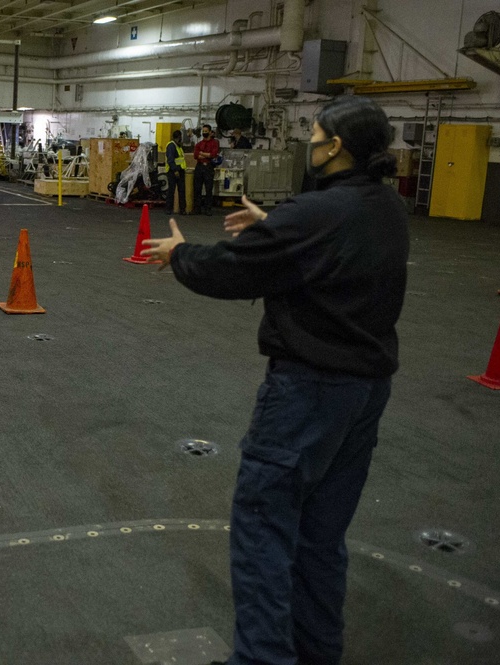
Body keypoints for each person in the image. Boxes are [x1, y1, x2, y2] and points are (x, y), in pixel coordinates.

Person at [141, 96, 408, 665]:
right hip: (364, 395)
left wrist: (182, 252)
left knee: (263, 529)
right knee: (321, 537)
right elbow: (326, 249)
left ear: (335, 147)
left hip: (308, 391)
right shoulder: (385, 206)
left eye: (314, 135)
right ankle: (316, 653)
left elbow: (234, 270)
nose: (308, 143)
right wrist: (275, 227)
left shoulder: (313, 214)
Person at [192, 124, 220, 215]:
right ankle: (197, 208)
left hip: (209, 167)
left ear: (210, 132)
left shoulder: (214, 143)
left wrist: (202, 153)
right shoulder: (199, 144)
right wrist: (206, 154)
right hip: (199, 167)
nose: (204, 133)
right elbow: (196, 155)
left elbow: (213, 154)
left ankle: (208, 209)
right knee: (197, 188)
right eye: (203, 131)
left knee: (209, 189)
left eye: (206, 131)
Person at [164, 129, 187, 215]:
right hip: (173, 171)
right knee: (171, 190)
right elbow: (170, 160)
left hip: (180, 171)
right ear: (178, 137)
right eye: (180, 137)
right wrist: (175, 170)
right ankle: (168, 209)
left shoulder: (178, 146)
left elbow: (180, 159)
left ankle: (182, 209)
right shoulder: (171, 146)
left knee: (182, 190)